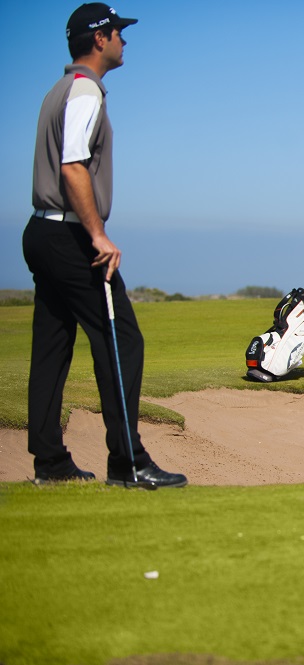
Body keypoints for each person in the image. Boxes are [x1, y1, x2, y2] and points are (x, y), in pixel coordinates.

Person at [22, 3, 187, 488]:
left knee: (52, 345)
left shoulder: (59, 89)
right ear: (100, 39)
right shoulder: (85, 91)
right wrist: (97, 233)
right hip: (71, 235)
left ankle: (50, 462)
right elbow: (73, 165)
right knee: (122, 340)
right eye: (119, 32)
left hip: (43, 232)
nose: (124, 40)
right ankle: (128, 462)